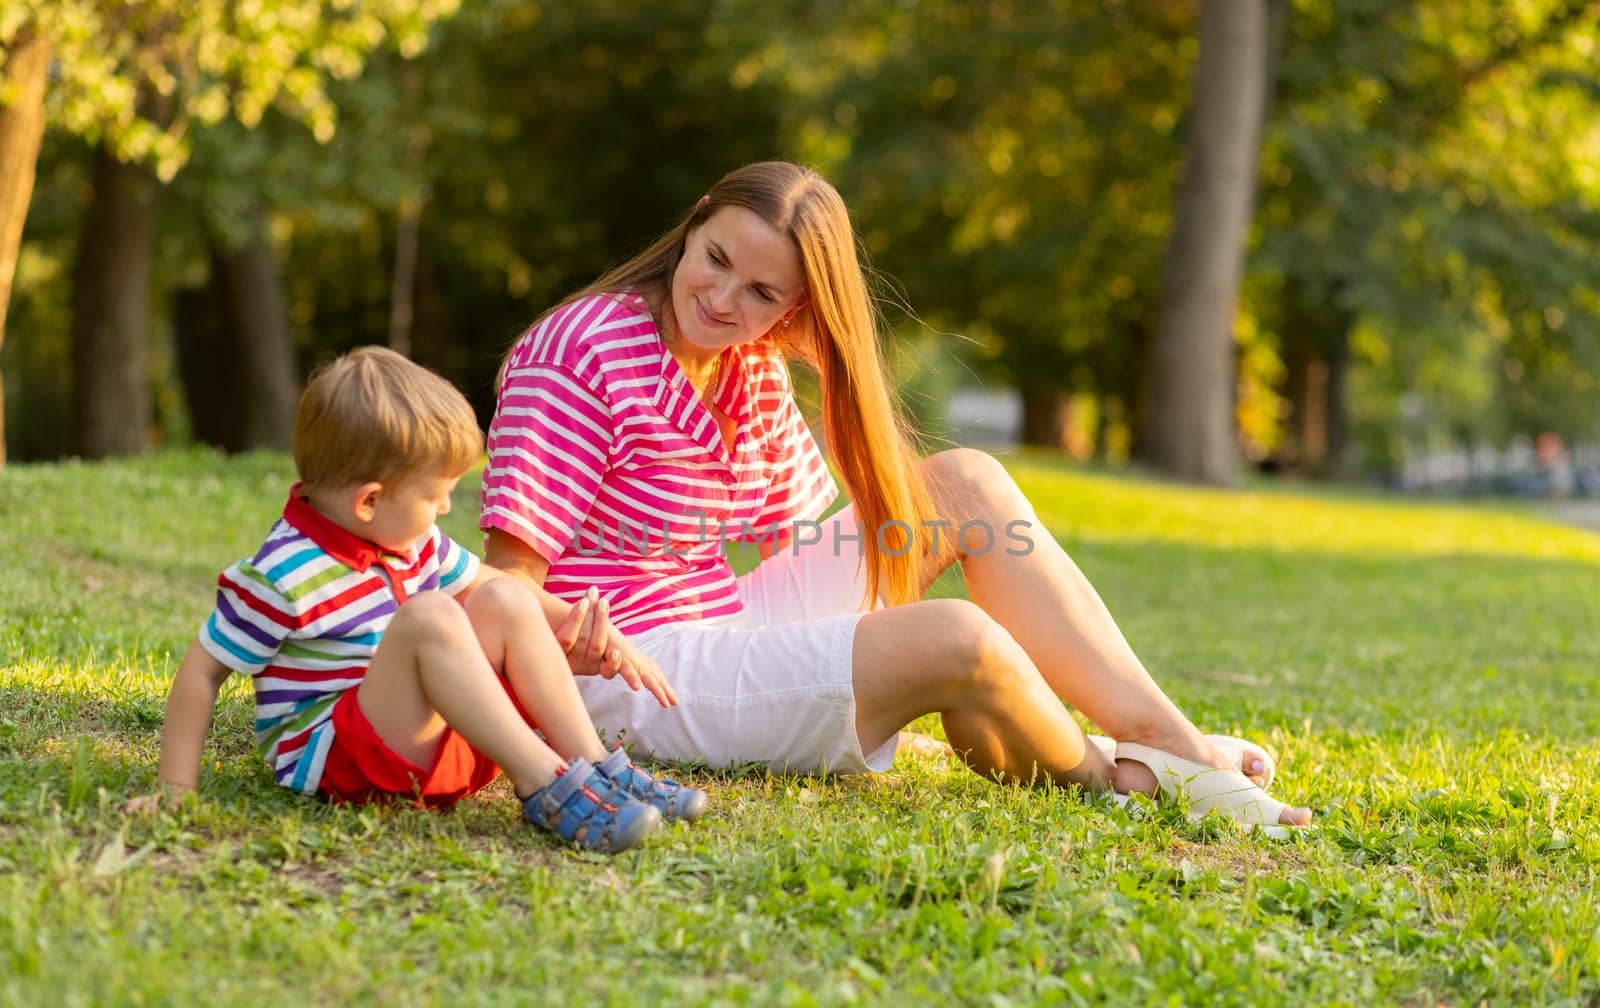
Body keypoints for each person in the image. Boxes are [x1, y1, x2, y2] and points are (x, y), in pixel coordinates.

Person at [481, 161, 1311, 831]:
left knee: (966, 483)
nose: (724, 300)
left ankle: (1166, 735)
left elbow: (793, 552)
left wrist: (839, 659)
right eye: (717, 259)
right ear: (694, 223)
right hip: (624, 669)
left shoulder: (748, 362)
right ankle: (1120, 776)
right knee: (956, 639)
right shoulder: (580, 351)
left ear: (797, 305)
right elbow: (506, 588)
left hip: (720, 619)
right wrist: (893, 656)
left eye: (764, 294)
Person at [126, 346, 708, 852]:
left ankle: (598, 769)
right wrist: (176, 791)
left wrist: (597, 634)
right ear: (368, 502)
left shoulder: (410, 538)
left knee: (504, 595)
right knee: (431, 615)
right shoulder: (283, 574)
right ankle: (547, 787)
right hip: (344, 762)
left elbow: (495, 589)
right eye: (436, 497)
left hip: (427, 739)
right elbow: (202, 672)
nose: (447, 511)